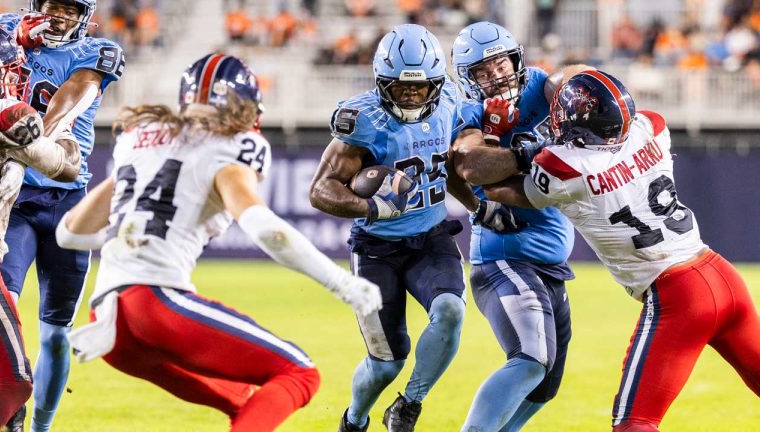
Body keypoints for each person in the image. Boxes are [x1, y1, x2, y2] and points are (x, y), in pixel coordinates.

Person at [54, 53, 382, 432]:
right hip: (156, 303)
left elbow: (70, 233)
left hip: (107, 319)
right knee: (300, 373)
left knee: (243, 400)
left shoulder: (139, 140)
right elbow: (265, 230)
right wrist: (342, 283)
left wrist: (131, 238)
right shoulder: (230, 146)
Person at [482, 69, 760, 431]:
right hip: (721, 275)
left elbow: (494, 186)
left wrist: (494, 136)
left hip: (678, 295)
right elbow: (632, 126)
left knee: (635, 423)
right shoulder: (652, 129)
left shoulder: (567, 168)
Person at [309, 24, 489, 432]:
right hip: (376, 249)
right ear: (381, 82)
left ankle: (408, 405)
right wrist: (370, 206)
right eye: (400, 87)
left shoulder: (450, 105)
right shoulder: (362, 121)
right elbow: (320, 189)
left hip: (430, 238)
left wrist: (479, 206)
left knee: (450, 311)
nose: (410, 95)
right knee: (386, 364)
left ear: (436, 84)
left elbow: (447, 169)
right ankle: (354, 420)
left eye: (420, 87)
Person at [450, 21, 588, 431]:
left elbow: (575, 77)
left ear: (516, 60)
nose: (496, 76)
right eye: (483, 71)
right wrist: (528, 151)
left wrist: (577, 81)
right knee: (530, 359)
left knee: (544, 387)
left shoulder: (541, 86)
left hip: (549, 259)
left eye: (501, 64)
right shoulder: (469, 112)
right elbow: (471, 164)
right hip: (504, 255)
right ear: (469, 79)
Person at [0, 1, 124, 430]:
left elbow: (77, 91)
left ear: (84, 16)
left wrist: (35, 139)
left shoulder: (97, 51)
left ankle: (41, 428)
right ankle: (9, 403)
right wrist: (12, 39)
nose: (59, 15)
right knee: (3, 306)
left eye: (70, 8)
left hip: (68, 202)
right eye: (53, 4)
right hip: (13, 197)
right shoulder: (7, 29)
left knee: (55, 334)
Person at [0, 23, 81, 429]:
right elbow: (65, 167)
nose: (15, 77)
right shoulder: (9, 115)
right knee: (12, 385)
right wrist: (66, 140)